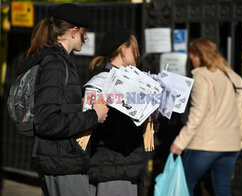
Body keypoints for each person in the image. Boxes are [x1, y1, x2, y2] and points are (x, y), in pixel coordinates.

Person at [17, 3, 109, 196]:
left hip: (62, 160)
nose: (85, 37)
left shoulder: (58, 61)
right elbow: (47, 121)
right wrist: (93, 116)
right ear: (74, 30)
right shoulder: (55, 64)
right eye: (84, 32)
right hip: (62, 163)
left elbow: (59, 107)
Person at [170, 38, 242, 196]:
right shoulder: (233, 77)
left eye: (191, 55)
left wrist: (180, 142)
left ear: (199, 55)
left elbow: (198, 113)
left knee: (183, 187)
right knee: (223, 190)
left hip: (205, 145)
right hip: (230, 145)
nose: (190, 59)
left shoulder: (202, 77)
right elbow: (241, 115)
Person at [87, 28, 147, 196]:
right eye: (135, 48)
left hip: (114, 165)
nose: (138, 53)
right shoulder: (103, 81)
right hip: (115, 167)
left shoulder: (103, 77)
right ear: (124, 50)